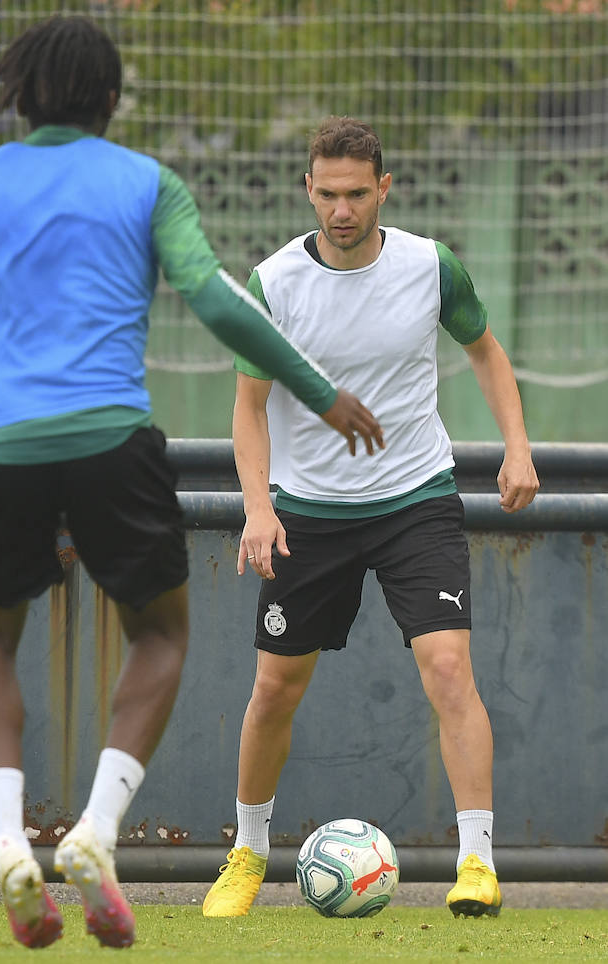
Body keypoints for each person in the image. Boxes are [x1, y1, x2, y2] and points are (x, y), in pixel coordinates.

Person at [0, 17, 384, 950]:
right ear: (110, 99)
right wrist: (319, 391)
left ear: (17, 97)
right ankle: (97, 833)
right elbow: (220, 302)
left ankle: (5, 847)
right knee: (160, 635)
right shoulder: (145, 182)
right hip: (112, 442)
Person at [201, 116, 539, 921]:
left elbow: (486, 351)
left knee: (451, 669)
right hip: (307, 514)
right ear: (307, 189)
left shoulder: (431, 266)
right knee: (275, 688)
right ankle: (247, 852)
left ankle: (478, 865)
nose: (342, 209)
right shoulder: (273, 282)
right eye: (328, 193)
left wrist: (517, 448)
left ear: (384, 189)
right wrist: (258, 507)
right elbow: (248, 409)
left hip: (416, 499)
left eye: (358, 194)